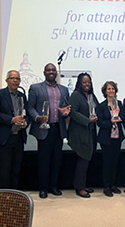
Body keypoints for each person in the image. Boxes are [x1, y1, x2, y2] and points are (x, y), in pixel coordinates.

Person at [28, 63, 71, 199]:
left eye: (53, 70)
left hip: (58, 128)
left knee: (57, 160)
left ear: (56, 72)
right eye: (48, 70)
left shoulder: (64, 90)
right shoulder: (35, 88)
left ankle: (54, 186)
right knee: (44, 160)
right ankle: (43, 188)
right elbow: (30, 107)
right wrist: (37, 117)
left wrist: (65, 113)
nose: (51, 72)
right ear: (44, 72)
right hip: (43, 128)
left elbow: (66, 108)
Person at [0, 70, 29, 189]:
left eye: (17, 78)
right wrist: (11, 119)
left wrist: (25, 122)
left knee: (16, 170)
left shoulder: (22, 96)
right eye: (12, 78)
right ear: (7, 80)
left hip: (18, 138)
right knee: (4, 171)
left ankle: (14, 196)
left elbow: (25, 113)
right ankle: (3, 197)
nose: (15, 81)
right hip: (4, 139)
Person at [68, 72, 99, 198]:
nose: (87, 84)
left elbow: (97, 108)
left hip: (90, 131)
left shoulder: (91, 95)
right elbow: (73, 112)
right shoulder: (75, 95)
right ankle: (79, 187)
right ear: (80, 83)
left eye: (89, 82)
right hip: (79, 132)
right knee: (83, 158)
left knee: (86, 159)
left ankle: (82, 184)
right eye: (84, 82)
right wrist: (87, 120)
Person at [95, 81, 125, 197]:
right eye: (108, 89)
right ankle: (106, 186)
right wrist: (110, 121)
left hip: (117, 137)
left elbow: (124, 116)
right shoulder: (101, 106)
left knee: (115, 162)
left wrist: (119, 117)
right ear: (105, 91)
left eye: (113, 88)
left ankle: (113, 185)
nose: (111, 91)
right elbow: (99, 122)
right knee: (107, 163)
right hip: (106, 139)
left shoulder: (119, 103)